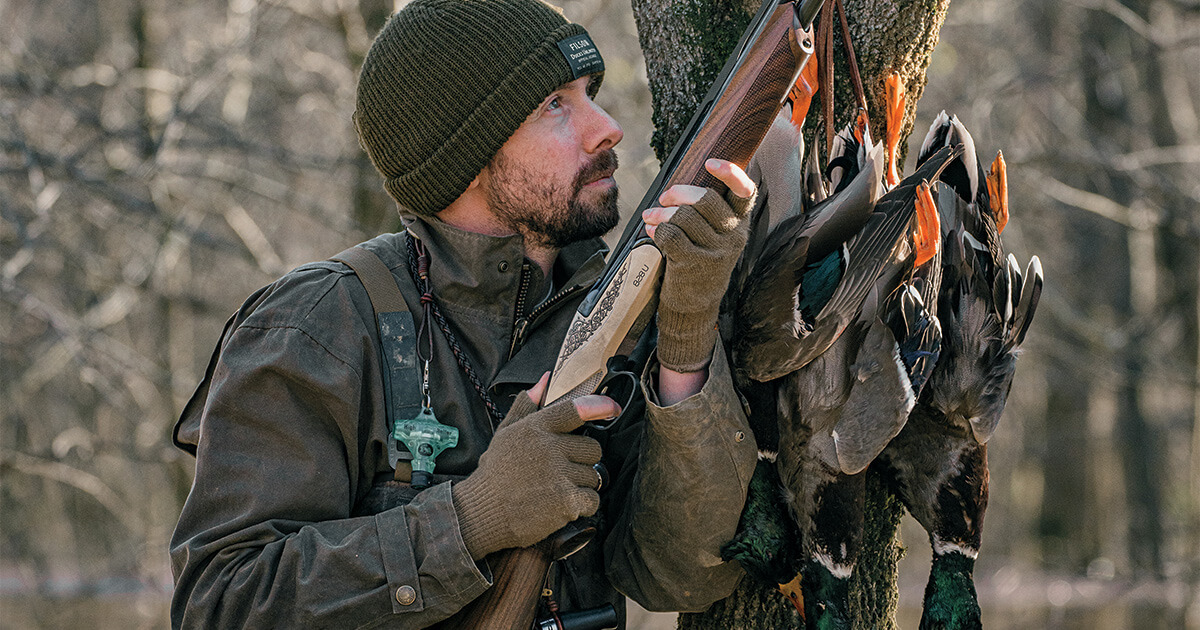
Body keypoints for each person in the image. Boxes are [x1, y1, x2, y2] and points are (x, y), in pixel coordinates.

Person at [169, 0, 758, 626]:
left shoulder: (612, 314)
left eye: (589, 93)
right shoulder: (318, 325)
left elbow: (684, 577)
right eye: (553, 105)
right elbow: (221, 604)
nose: (607, 127)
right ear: (465, 158)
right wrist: (472, 519)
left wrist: (686, 336)